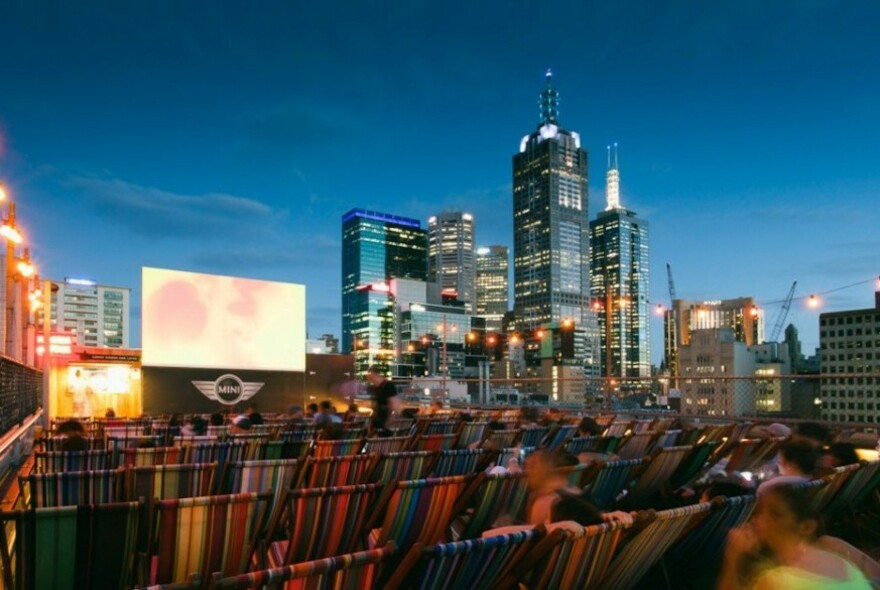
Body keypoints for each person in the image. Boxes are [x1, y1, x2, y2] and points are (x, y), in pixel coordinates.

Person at [719, 483, 871, 590]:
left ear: (806, 527)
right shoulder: (839, 561)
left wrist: (733, 556)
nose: (757, 520)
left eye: (775, 514)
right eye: (759, 511)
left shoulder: (779, 580)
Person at [366, 366, 400, 433]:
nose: (370, 380)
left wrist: (387, 424)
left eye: (371, 378)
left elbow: (395, 407)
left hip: (384, 423)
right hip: (379, 423)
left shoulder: (388, 386)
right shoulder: (376, 388)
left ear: (376, 375)